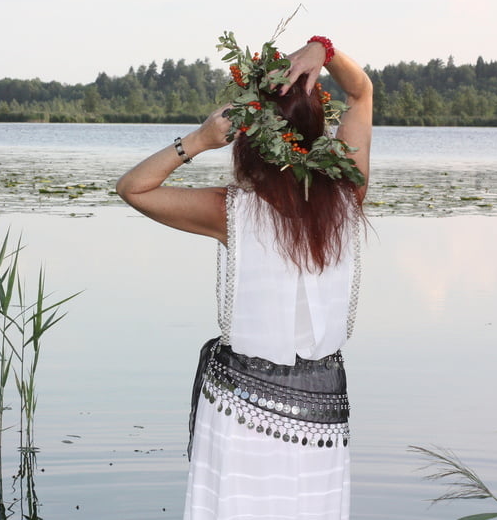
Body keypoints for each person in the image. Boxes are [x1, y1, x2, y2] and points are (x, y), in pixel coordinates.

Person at [116, 33, 373, 520]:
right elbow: (361, 94)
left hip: (240, 409)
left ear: (248, 142)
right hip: (323, 411)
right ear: (319, 129)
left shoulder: (231, 212)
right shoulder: (347, 197)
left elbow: (133, 188)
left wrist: (197, 140)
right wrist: (324, 50)